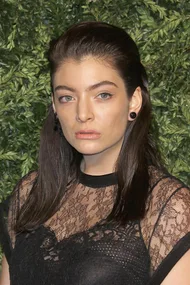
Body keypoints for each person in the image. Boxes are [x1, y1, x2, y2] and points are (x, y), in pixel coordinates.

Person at [0, 21, 189, 285]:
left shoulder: (168, 207)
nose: (83, 114)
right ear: (54, 105)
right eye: (67, 97)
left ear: (134, 100)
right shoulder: (28, 195)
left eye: (102, 95)